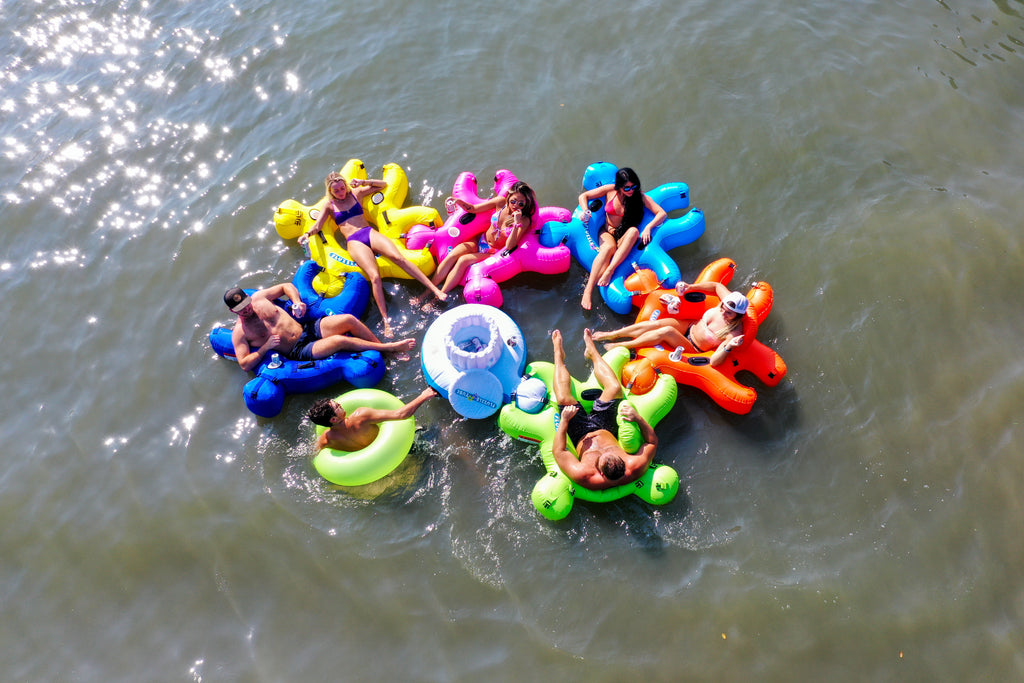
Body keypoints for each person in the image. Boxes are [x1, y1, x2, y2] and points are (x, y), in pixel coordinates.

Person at [298, 172, 448, 337]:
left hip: (368, 232)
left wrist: (363, 181)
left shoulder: (356, 193)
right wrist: (307, 234)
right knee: (374, 276)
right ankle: (386, 322)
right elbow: (318, 226)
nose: (341, 192)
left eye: (342, 187)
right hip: (354, 241)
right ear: (331, 191)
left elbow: (382, 184)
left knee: (399, 258)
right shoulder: (329, 205)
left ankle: (435, 290)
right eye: (336, 190)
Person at [550, 329, 658, 490]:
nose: (603, 452)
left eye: (600, 458)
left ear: (600, 473)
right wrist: (637, 418)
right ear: (621, 461)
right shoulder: (634, 465)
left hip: (579, 433)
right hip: (606, 426)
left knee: (564, 399)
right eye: (611, 452)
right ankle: (591, 352)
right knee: (614, 388)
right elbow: (652, 442)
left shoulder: (584, 475)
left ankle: (558, 355)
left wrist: (565, 420)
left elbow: (558, 452)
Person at [224, 284, 416, 372]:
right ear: (233, 311)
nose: (247, 309)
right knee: (340, 341)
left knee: (348, 319)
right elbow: (244, 364)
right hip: (298, 350)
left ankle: (383, 349)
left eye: (247, 303)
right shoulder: (240, 332)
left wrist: (297, 301)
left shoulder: (259, 298)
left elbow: (285, 286)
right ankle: (390, 348)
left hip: (307, 328)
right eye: (241, 309)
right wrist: (265, 347)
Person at [412, 180, 537, 308]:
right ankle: (425, 293)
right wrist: (459, 202)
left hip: (492, 252)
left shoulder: (524, 220)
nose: (516, 205)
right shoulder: (500, 202)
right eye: (513, 201)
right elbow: (474, 209)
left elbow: (510, 245)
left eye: (521, 203)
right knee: (452, 255)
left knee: (463, 260)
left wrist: (516, 224)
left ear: (526, 204)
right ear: (509, 197)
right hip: (479, 240)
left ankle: (437, 299)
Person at [593, 282, 750, 367]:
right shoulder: (728, 300)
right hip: (690, 326)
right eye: (723, 307)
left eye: (729, 313)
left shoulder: (734, 333)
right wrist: (691, 287)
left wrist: (729, 347)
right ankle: (612, 334)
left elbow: (715, 362)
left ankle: (623, 345)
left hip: (694, 347)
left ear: (738, 315)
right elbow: (716, 286)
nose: (723, 312)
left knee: (667, 330)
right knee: (658, 323)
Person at [577, 167, 668, 310]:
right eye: (627, 188)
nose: (631, 190)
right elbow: (584, 196)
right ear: (619, 186)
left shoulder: (640, 197)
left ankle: (610, 270)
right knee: (608, 248)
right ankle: (588, 291)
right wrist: (585, 211)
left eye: (634, 186)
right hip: (607, 232)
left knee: (633, 231)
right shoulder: (610, 190)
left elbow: (661, 213)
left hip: (624, 236)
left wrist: (648, 227)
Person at [308, 387, 439, 452]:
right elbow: (401, 415)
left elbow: (315, 452)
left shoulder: (326, 438)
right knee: (437, 432)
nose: (340, 405)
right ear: (333, 419)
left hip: (378, 462)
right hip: (398, 447)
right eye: (337, 406)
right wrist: (424, 395)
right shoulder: (360, 416)